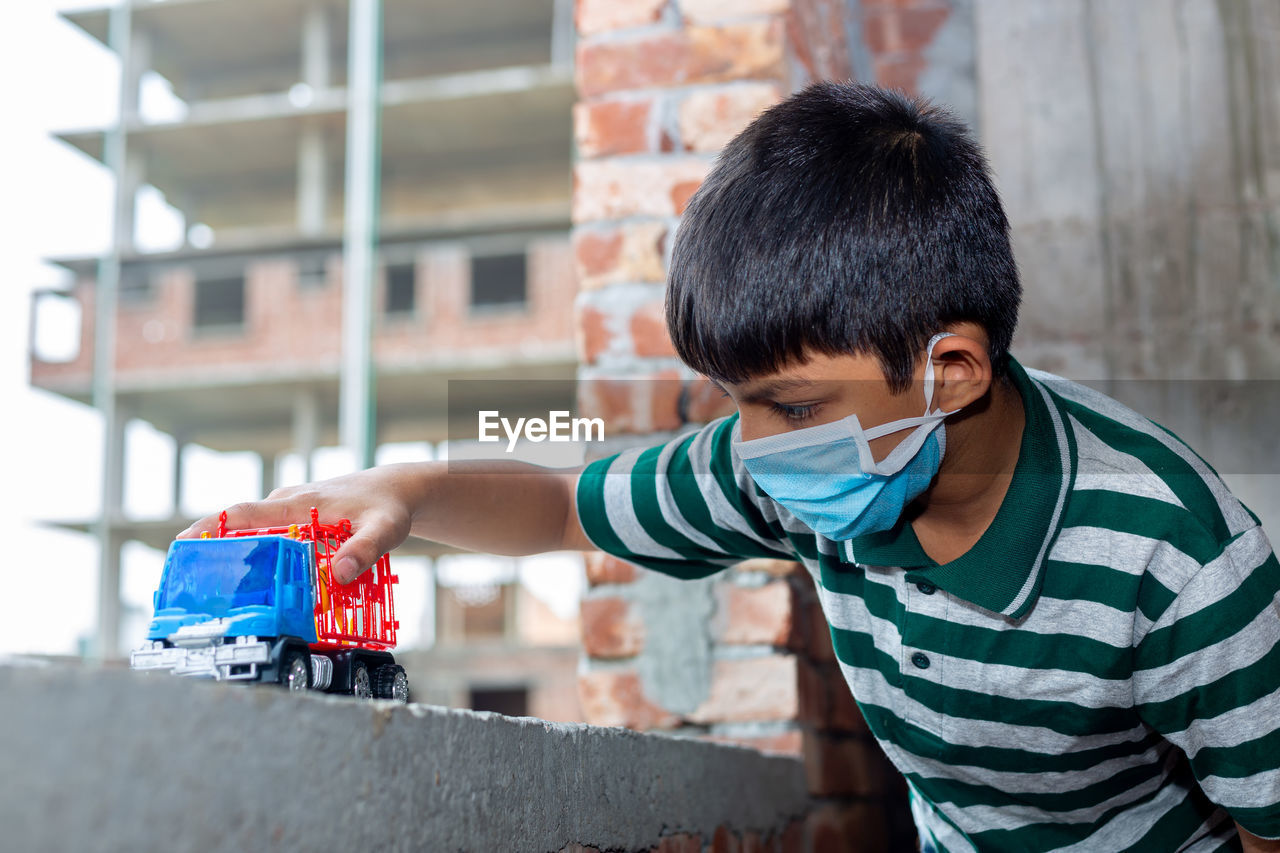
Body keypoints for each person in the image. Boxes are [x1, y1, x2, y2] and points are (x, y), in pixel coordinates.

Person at [182, 83, 1280, 852]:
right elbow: (568, 501)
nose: (752, 448)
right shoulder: (801, 461)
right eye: (738, 407)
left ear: (947, 371)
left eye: (787, 406)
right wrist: (409, 491)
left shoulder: (1176, 557)